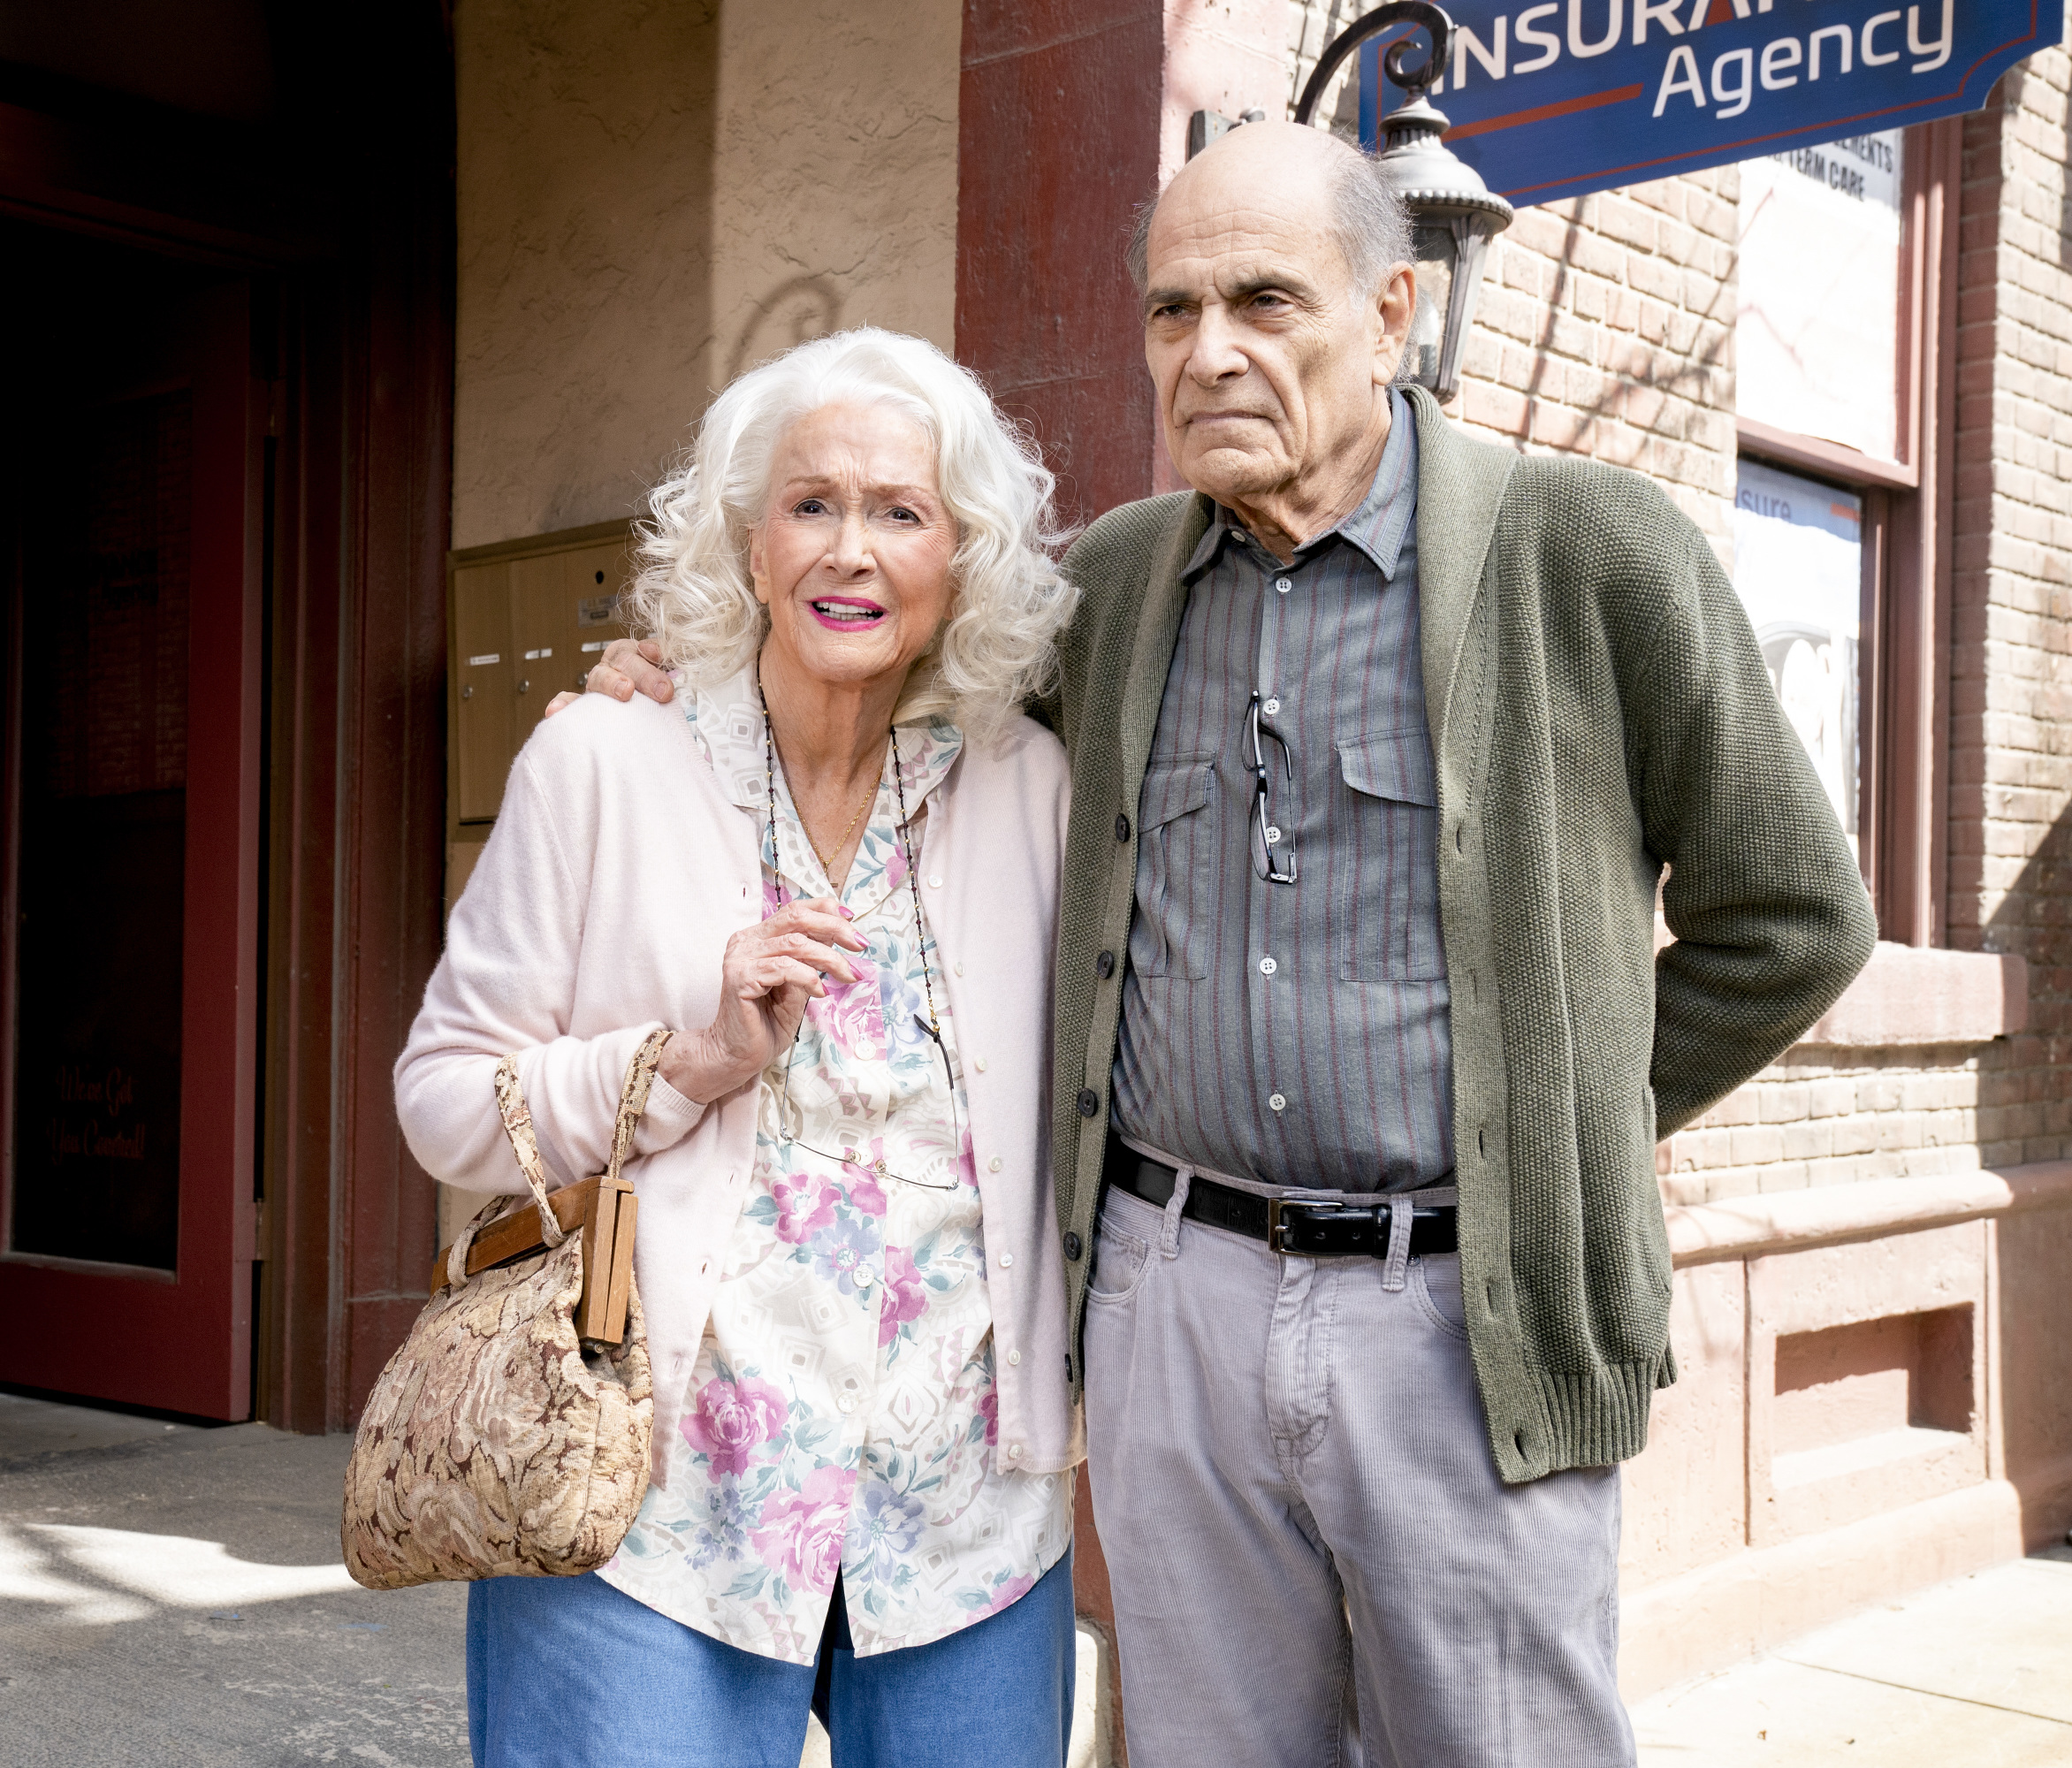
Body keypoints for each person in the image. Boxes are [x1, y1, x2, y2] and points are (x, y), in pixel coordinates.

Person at [578, 123, 1876, 1765]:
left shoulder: (1589, 553)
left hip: (1460, 1308)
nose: (1211, 353)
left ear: (1395, 310)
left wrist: (1560, 1131)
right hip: (1166, 1296)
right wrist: (668, 676)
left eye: (1267, 301)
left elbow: (1796, 919)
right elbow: (871, 683)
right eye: (1172, 311)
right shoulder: (1111, 587)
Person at [396, 327, 1087, 1768]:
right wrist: (687, 1062)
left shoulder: (1034, 787)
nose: (853, 550)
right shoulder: (601, 763)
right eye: (810, 504)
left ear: (960, 557)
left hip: (960, 1512)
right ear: (749, 544)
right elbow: (447, 1102)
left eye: (902, 513)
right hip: (657, 1495)